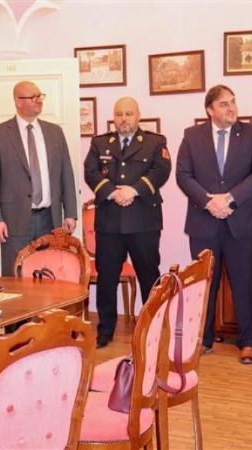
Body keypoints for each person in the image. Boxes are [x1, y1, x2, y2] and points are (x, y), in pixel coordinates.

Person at [176, 85, 252, 364]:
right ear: (210, 110)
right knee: (204, 285)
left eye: (233, 102)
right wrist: (208, 202)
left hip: (241, 222)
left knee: (244, 284)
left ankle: (247, 342)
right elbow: (183, 175)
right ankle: (203, 340)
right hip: (204, 223)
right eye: (224, 104)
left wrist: (229, 199)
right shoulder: (191, 136)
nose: (231, 108)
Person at [84, 96, 171, 348]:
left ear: (138, 115)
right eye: (119, 114)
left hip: (143, 221)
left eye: (128, 114)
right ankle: (105, 329)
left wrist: (133, 191)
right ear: (114, 117)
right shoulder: (100, 143)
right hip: (109, 222)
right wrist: (113, 192)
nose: (123, 119)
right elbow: (90, 172)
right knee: (107, 278)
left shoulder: (155, 142)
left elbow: (161, 171)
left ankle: (153, 328)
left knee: (149, 276)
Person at [0, 80, 77, 276]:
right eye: (33, 97)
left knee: (49, 274)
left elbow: (66, 174)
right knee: (15, 274)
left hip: (50, 219)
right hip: (14, 220)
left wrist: (70, 213)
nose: (39, 100)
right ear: (18, 101)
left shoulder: (55, 132)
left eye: (40, 96)